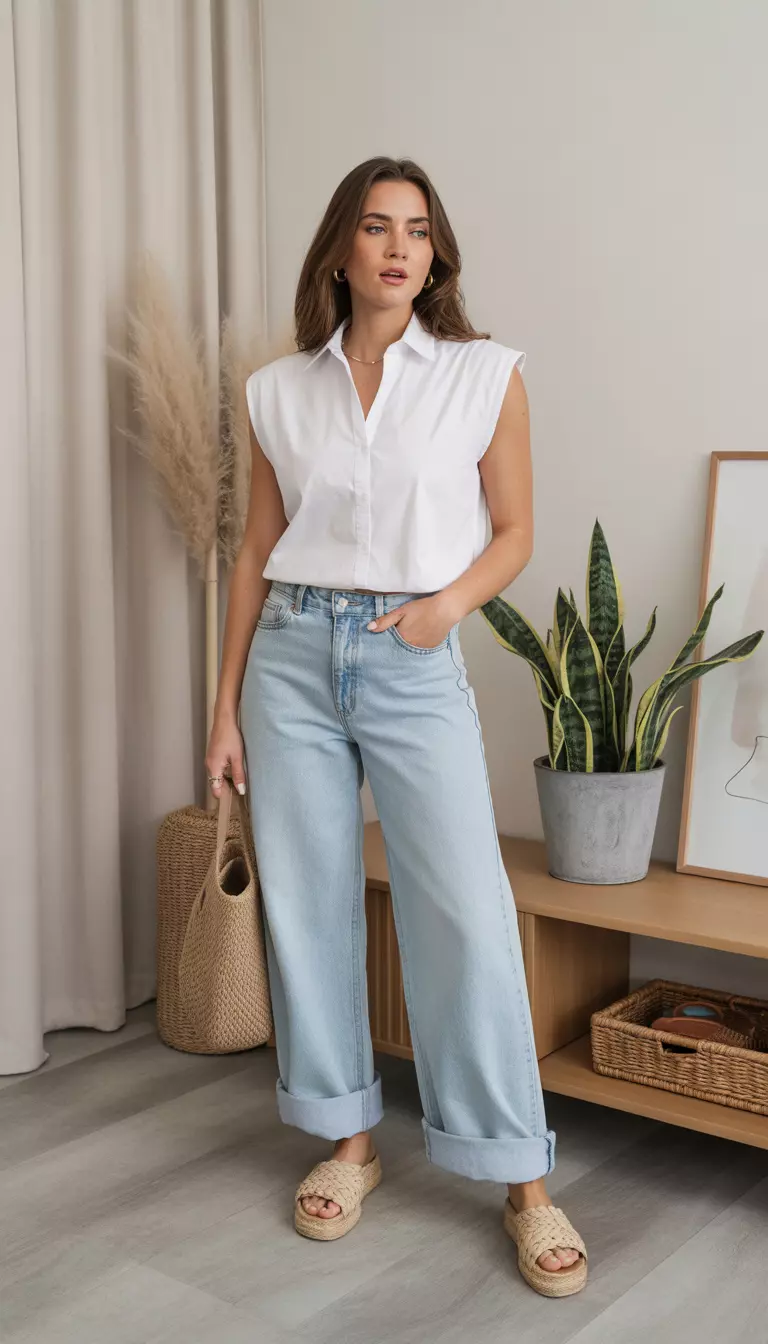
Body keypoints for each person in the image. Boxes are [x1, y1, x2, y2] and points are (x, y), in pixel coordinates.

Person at [205, 156, 587, 1299]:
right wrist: (219, 707)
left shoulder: (483, 375)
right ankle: (349, 1141)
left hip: (414, 654)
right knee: (310, 909)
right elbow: (257, 553)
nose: (397, 247)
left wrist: (443, 613)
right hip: (288, 661)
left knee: (464, 912)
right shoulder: (279, 390)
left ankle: (523, 1178)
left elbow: (514, 530)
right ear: (341, 249)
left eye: (416, 230)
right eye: (376, 227)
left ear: (435, 254)